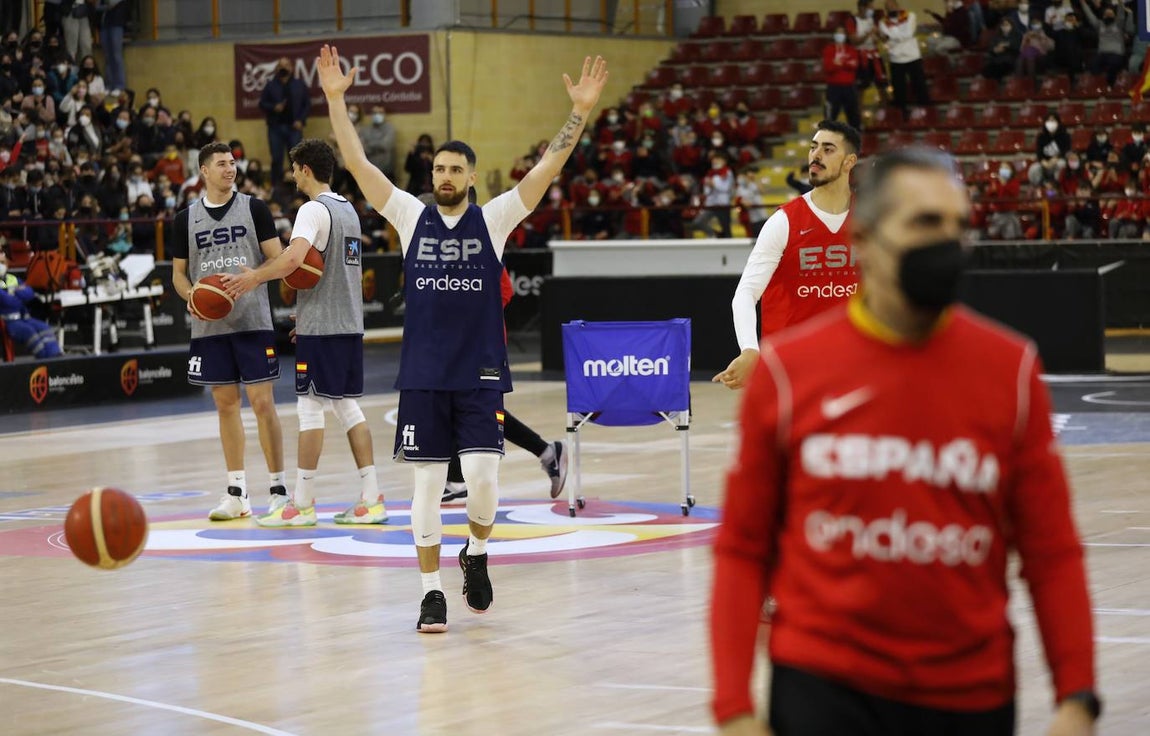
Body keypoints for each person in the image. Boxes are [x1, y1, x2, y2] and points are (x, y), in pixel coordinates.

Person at [710, 146, 1100, 736]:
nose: (946, 242)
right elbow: (743, 549)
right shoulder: (789, 375)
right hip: (823, 687)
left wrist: (1077, 698)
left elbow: (1053, 552)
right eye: (924, 222)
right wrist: (734, 709)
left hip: (968, 691)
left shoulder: (1011, 371)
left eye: (957, 225)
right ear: (866, 239)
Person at [317, 44, 607, 633]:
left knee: (481, 480)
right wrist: (335, 100)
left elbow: (548, 169)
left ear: (472, 176)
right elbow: (357, 163)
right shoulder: (408, 215)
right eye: (439, 170)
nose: (445, 177)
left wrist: (578, 112)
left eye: (455, 170)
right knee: (426, 486)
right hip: (424, 375)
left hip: (479, 372)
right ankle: (430, 593)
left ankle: (475, 552)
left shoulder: (494, 218)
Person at [220, 138, 389, 528]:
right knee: (346, 407)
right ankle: (371, 498)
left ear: (306, 170)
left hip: (325, 328)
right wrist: (310, 317)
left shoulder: (312, 210)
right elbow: (338, 274)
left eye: (295, 169)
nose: (293, 176)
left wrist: (253, 278)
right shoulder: (348, 210)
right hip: (347, 323)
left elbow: (294, 259)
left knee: (310, 408)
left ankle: (302, 504)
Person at [169, 141, 287, 522]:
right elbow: (178, 273)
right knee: (225, 405)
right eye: (221, 163)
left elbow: (279, 258)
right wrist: (191, 295)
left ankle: (278, 490)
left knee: (263, 404)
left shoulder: (254, 208)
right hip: (210, 327)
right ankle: (237, 492)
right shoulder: (185, 219)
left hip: (252, 321)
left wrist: (254, 278)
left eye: (232, 162)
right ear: (204, 171)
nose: (230, 168)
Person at [713, 120, 860, 390]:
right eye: (813, 147)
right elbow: (746, 293)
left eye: (828, 149)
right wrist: (749, 349)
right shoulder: (783, 221)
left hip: (851, 364)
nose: (816, 155)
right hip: (791, 369)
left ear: (850, 161)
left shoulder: (872, 218)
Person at [259, 56, 310, 192]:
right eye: (280, 65)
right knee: (276, 159)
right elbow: (262, 103)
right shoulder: (270, 85)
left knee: (297, 159)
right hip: (275, 128)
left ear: (291, 68)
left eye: (286, 65)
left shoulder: (299, 84)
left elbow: (307, 104)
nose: (283, 68)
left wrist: (301, 120)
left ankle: (299, 188)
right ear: (277, 69)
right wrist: (273, 107)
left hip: (294, 128)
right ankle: (276, 188)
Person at [0, 249, 62, 358]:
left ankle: (55, 356)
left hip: (24, 318)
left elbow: (29, 294)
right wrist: (18, 292)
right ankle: (44, 359)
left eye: (2, 262)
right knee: (29, 332)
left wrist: (11, 292)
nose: (1, 266)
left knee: (44, 327)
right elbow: (9, 302)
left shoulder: (12, 278)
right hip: (8, 322)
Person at [878, 0, 930, 114]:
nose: (891, 9)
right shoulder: (883, 23)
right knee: (899, 90)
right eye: (888, 7)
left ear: (897, 6)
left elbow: (908, 34)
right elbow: (894, 37)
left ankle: (925, 111)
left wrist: (891, 36)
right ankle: (902, 114)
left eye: (892, 6)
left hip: (913, 56)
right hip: (896, 59)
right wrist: (896, 36)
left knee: (920, 86)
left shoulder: (910, 16)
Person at [822, 25, 862, 131]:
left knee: (854, 116)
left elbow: (854, 65)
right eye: (838, 32)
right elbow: (828, 67)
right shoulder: (829, 50)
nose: (840, 35)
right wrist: (845, 63)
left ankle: (855, 137)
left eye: (842, 33)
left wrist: (838, 63)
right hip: (833, 87)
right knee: (830, 117)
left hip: (849, 87)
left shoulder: (851, 49)